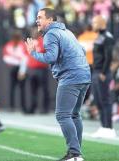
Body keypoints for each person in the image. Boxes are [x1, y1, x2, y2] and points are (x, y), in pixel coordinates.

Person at [25, 8, 91, 161]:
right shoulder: (68, 32)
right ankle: (76, 153)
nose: (37, 20)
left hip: (71, 77)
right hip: (84, 75)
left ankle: (74, 154)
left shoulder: (51, 33)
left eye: (40, 17)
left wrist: (33, 53)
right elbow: (81, 49)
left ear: (50, 20)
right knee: (74, 114)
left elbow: (51, 57)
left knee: (62, 115)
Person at [91, 15, 116, 138]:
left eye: (95, 22)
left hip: (102, 73)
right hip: (95, 72)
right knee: (98, 101)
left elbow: (109, 56)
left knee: (105, 100)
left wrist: (103, 72)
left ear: (102, 23)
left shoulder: (108, 37)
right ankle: (103, 127)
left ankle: (110, 128)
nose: (93, 24)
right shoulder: (99, 37)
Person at [2, 30, 28, 113]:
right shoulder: (9, 45)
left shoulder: (23, 45)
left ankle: (23, 107)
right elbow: (6, 58)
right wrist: (17, 60)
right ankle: (11, 106)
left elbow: (25, 58)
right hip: (13, 68)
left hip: (21, 68)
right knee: (12, 88)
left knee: (22, 88)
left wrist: (22, 71)